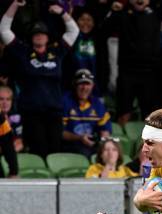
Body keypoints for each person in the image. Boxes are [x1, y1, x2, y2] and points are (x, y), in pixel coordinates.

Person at [0, 0, 78, 158]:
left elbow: (73, 31)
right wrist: (15, 5)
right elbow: (4, 30)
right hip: (31, 113)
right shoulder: (23, 52)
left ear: (47, 37)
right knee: (39, 151)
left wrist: (62, 12)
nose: (39, 36)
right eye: (36, 34)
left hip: (54, 112)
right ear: (31, 37)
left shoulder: (57, 51)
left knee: (55, 151)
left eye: (42, 34)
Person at [62, 69, 111, 157]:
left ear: (92, 86)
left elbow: (105, 130)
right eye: (81, 84)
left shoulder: (98, 104)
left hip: (91, 144)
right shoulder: (65, 101)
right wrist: (80, 138)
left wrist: (103, 140)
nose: (84, 88)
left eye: (87, 84)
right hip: (70, 145)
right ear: (74, 85)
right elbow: (60, 133)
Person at [0, 85, 17, 178]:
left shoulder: (18, 119)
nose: (5, 103)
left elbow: (20, 143)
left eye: (8, 99)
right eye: (1, 99)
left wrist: (13, 172)